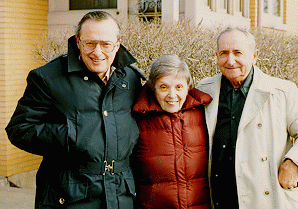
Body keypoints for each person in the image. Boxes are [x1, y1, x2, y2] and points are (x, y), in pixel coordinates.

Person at [6, 11, 145, 208]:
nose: (97, 52)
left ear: (117, 45)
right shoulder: (48, 78)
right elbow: (19, 129)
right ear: (78, 42)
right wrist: (72, 134)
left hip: (121, 195)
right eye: (90, 43)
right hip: (69, 198)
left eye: (105, 44)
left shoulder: (130, 79)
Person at [196, 28, 298, 208]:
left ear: (254, 55)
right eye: (224, 53)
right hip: (218, 197)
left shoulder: (281, 92)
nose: (230, 60)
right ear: (217, 55)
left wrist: (294, 162)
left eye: (238, 53)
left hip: (263, 199)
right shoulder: (204, 90)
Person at [132, 54, 212, 208]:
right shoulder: (138, 121)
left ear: (188, 87)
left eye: (179, 87)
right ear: (152, 87)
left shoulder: (205, 115)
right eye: (163, 87)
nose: (172, 95)